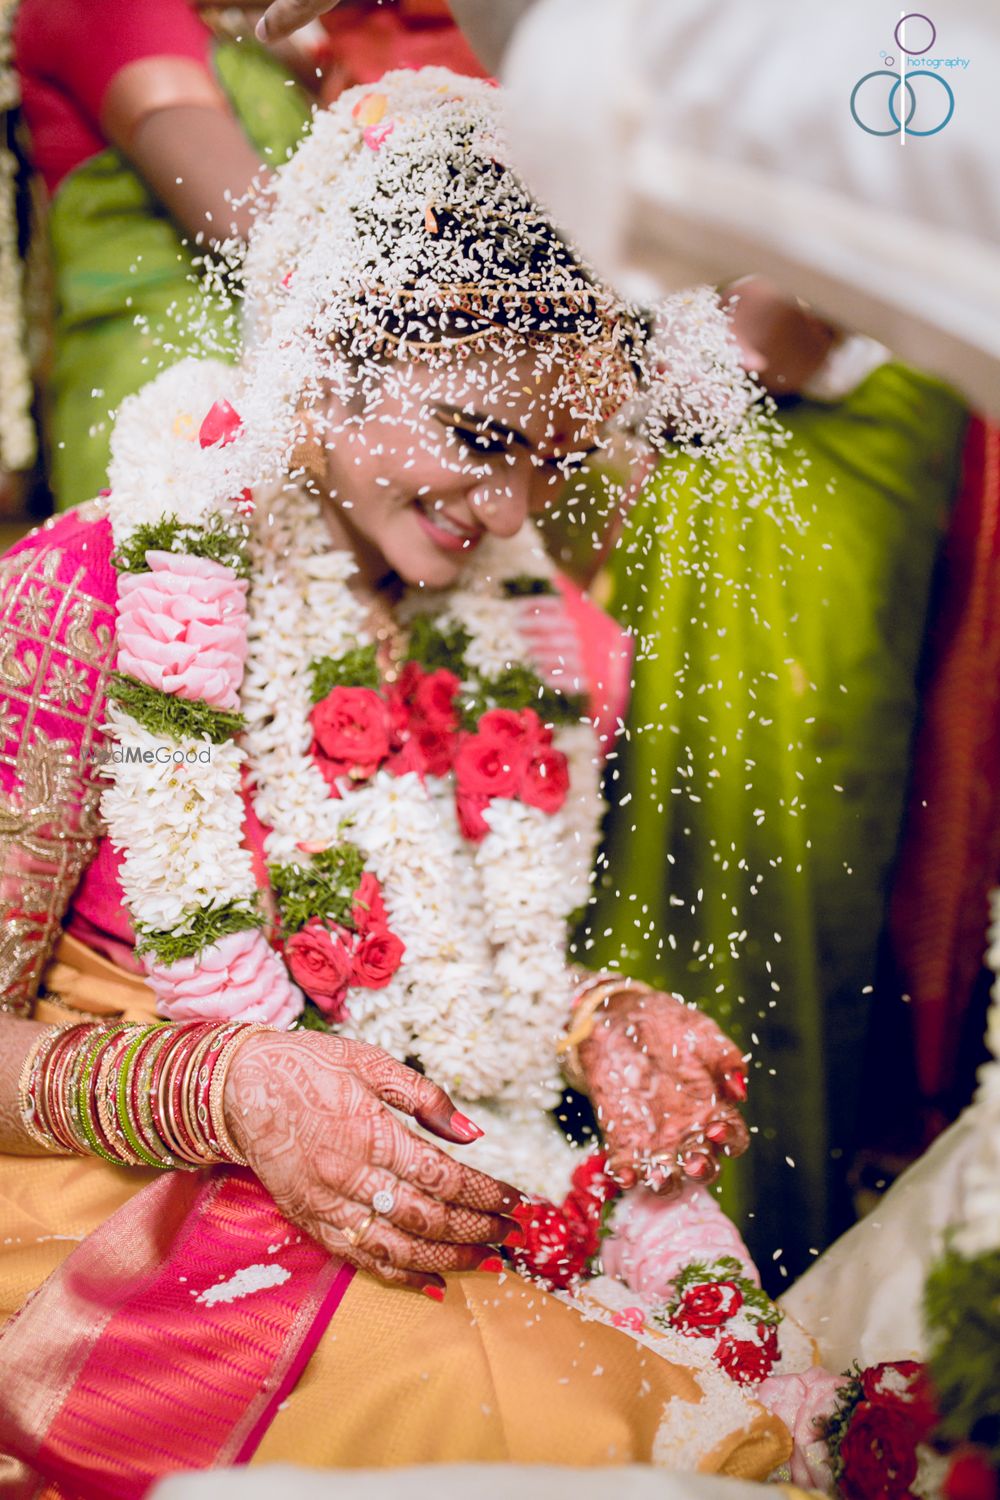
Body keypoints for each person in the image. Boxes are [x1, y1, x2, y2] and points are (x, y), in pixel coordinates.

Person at [0, 72, 806, 1494]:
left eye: (556, 461)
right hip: (108, 1206)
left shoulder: (547, 645)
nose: (508, 511)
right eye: (481, 437)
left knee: (733, 1417)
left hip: (405, 1175)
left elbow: (432, 984)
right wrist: (230, 1088)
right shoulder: (91, 594)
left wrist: (595, 1022)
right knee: (582, 1443)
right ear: (322, 338)